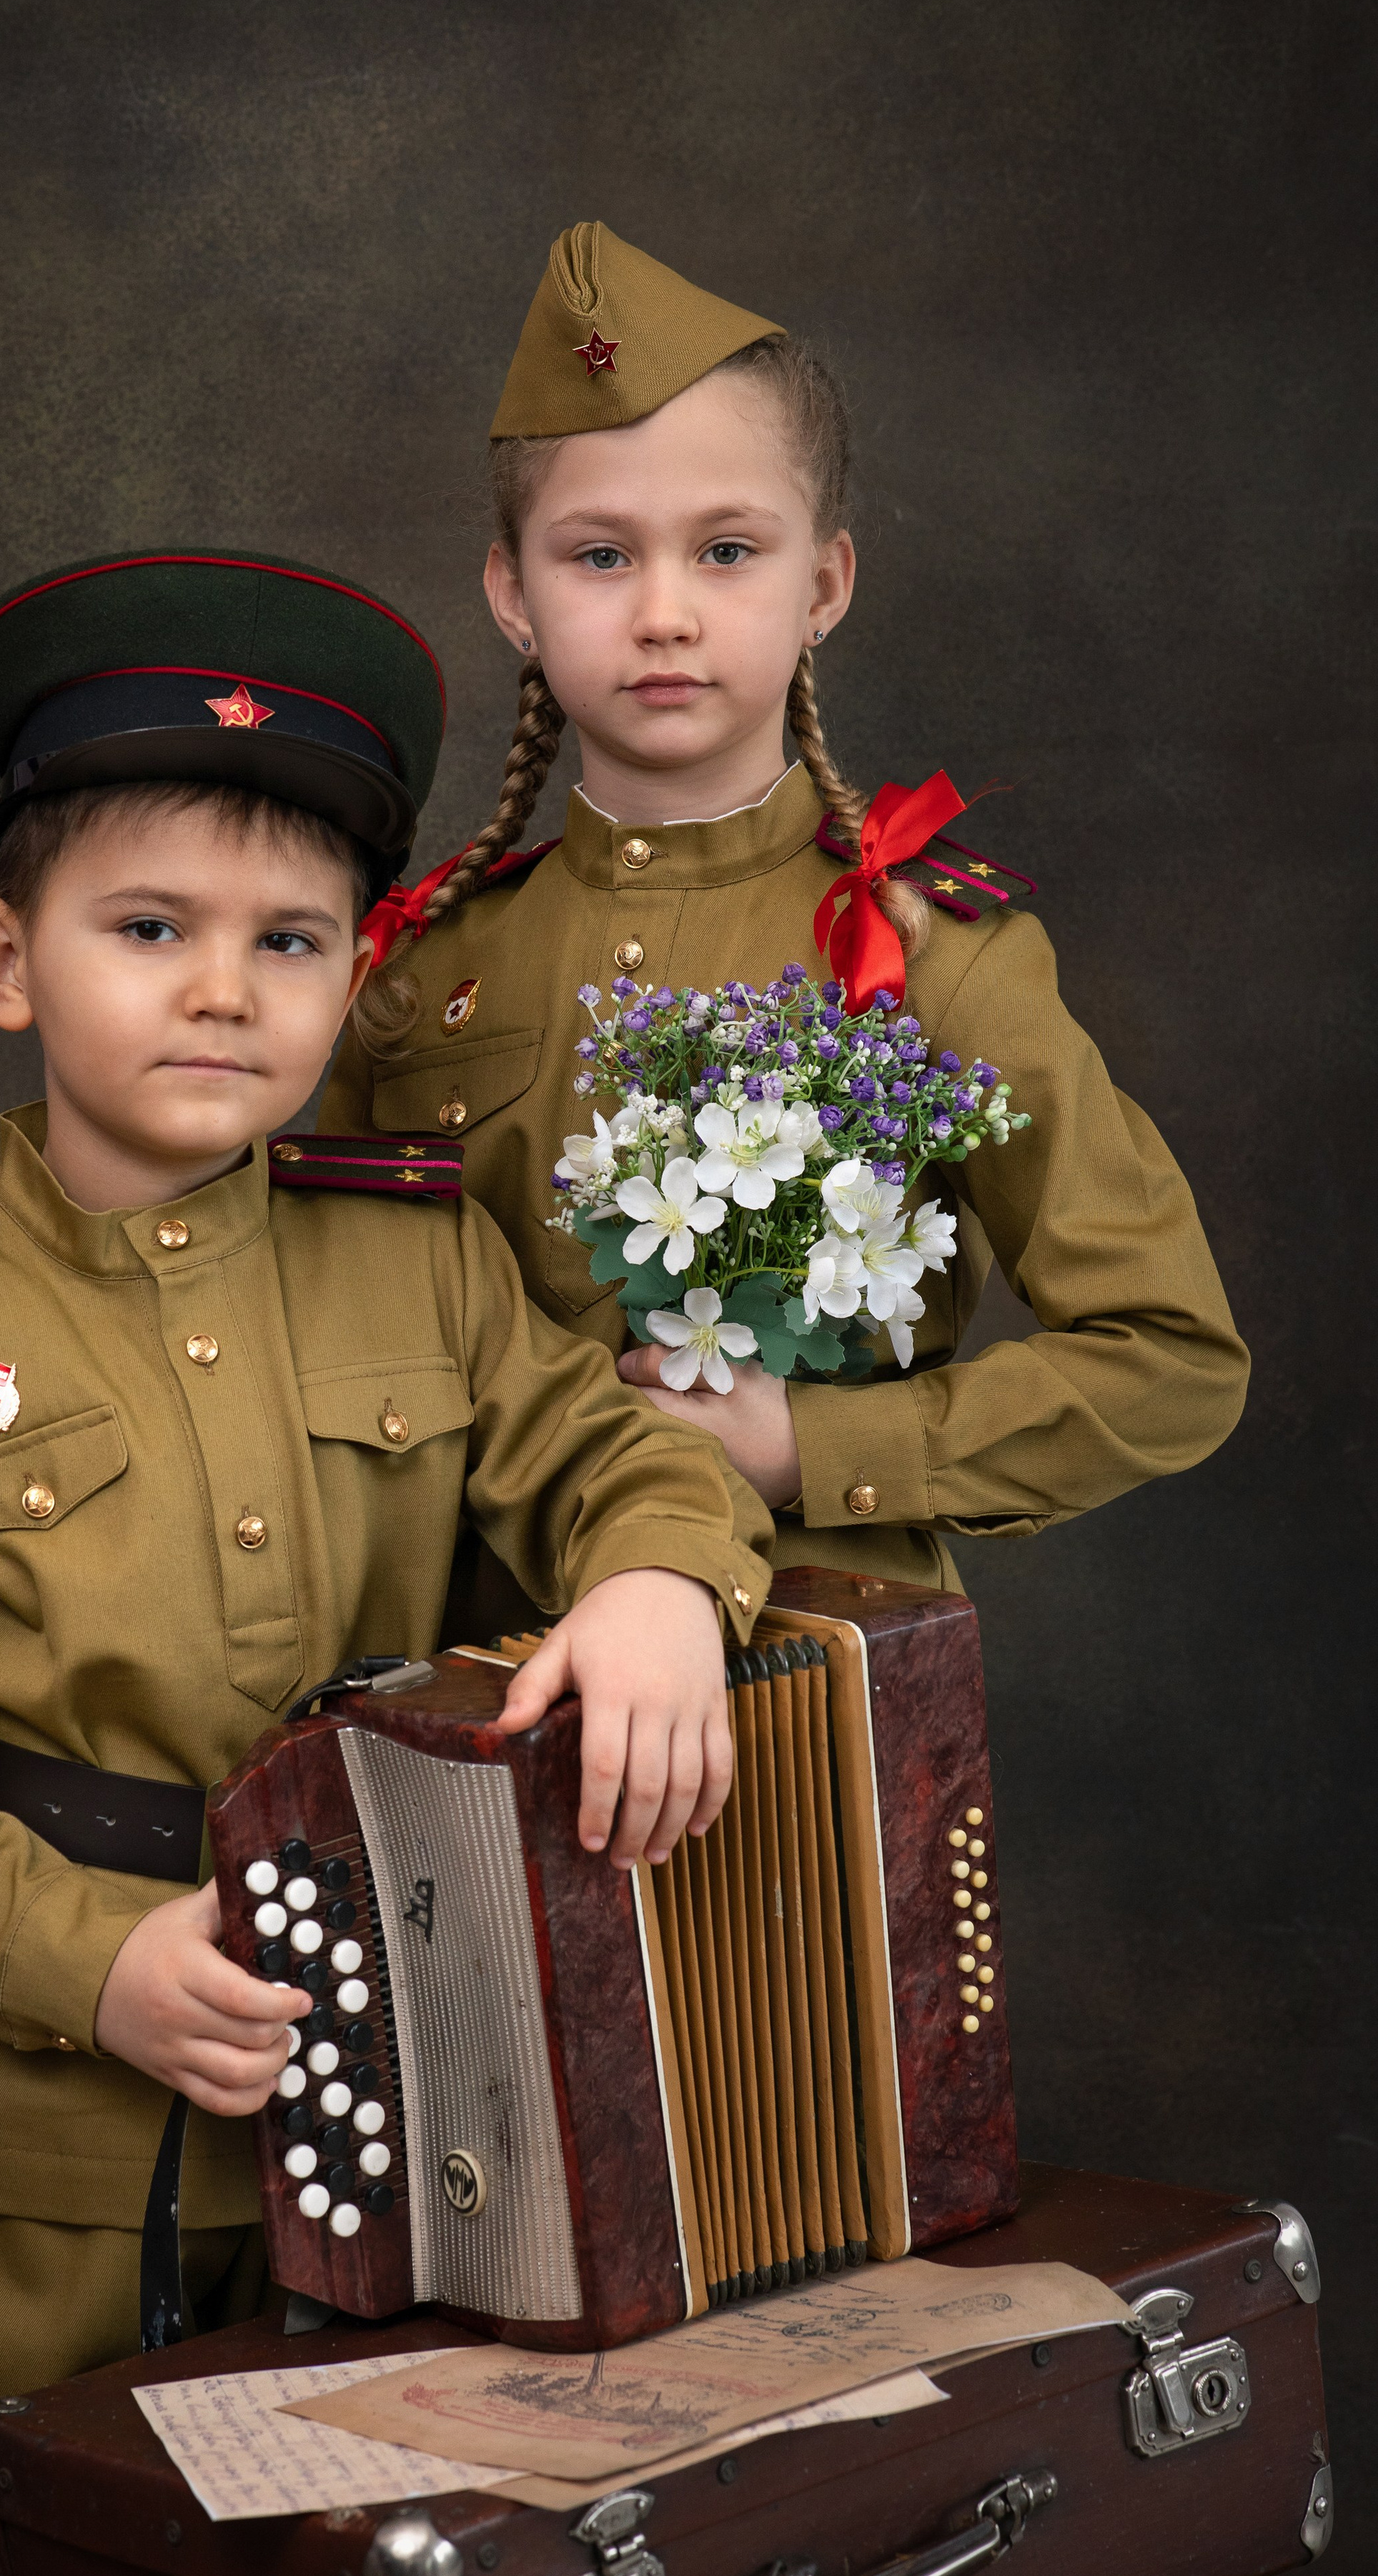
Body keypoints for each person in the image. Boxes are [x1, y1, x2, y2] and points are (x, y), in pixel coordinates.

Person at [0, 546, 777, 2576]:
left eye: (287, 939)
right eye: (148, 928)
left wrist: (665, 1575)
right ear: (5, 960)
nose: (223, 989)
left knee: (371, 2571)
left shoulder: (427, 1260)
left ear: (352, 974)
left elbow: (622, 1456)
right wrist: (88, 1959)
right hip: (19, 2145)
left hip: (416, 2106)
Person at [324, 223, 1248, 1597]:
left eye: (726, 550)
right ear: (513, 594)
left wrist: (823, 1446)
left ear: (824, 583)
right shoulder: (420, 973)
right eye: (599, 557)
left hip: (815, 1678)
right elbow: (327, 1355)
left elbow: (1171, 1359)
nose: (664, 613)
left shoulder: (930, 954)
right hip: (486, 1671)